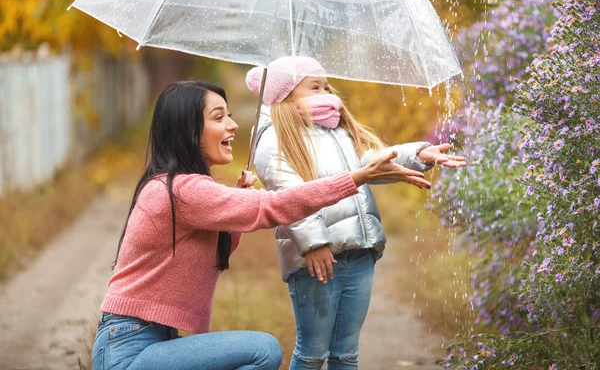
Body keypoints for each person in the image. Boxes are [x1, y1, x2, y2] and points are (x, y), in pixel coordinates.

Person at [91, 80, 431, 370]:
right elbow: (273, 206)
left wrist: (236, 206)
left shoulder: (184, 187)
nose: (232, 125)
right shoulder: (180, 189)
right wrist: (356, 178)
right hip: (130, 349)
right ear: (188, 130)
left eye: (231, 114)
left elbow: (218, 247)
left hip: (148, 340)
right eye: (218, 117)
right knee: (262, 350)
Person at [248, 57, 466, 370]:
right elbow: (288, 195)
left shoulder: (336, 130)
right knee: (312, 353)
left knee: (346, 353)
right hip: (316, 259)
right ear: (287, 94)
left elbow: (371, 161)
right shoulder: (275, 139)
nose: (326, 92)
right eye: (315, 87)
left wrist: (417, 154)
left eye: (326, 85)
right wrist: (313, 242)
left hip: (359, 252)